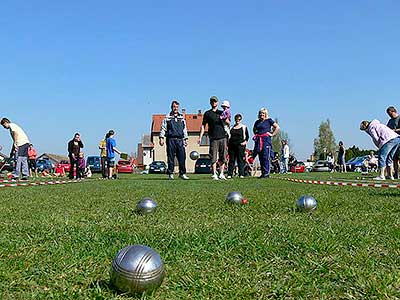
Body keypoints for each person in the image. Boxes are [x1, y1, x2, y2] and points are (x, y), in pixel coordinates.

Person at [198, 96, 229, 180]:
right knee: (213, 156)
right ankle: (214, 174)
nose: (213, 103)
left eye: (215, 101)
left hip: (223, 136)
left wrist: (226, 120)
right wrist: (200, 137)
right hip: (213, 137)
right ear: (210, 103)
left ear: (217, 103)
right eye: (212, 101)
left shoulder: (222, 112)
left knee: (223, 156)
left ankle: (221, 173)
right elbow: (203, 126)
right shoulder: (207, 113)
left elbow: (228, 123)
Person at [159, 100, 189, 180]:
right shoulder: (167, 117)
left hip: (180, 140)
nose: (175, 108)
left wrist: (186, 139)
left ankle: (182, 173)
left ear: (178, 107)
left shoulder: (181, 117)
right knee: (170, 157)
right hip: (170, 139)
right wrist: (161, 138)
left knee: (182, 157)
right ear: (171, 107)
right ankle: (171, 173)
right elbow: (163, 128)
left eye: (176, 107)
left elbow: (184, 129)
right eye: (174, 107)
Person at [252, 108, 280, 178]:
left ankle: (266, 173)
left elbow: (277, 127)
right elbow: (254, 129)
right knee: (260, 156)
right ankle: (263, 172)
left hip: (266, 140)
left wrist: (272, 134)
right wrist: (256, 134)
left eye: (263, 113)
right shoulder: (257, 122)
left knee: (266, 156)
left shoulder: (269, 121)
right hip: (259, 140)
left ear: (265, 114)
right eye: (261, 113)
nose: (262, 114)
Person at [227, 114, 249, 178]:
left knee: (240, 160)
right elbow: (228, 136)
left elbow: (247, 136)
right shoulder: (231, 127)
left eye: (239, 119)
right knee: (231, 160)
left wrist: (245, 142)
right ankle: (230, 174)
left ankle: (241, 174)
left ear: (240, 120)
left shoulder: (244, 127)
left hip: (240, 146)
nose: (237, 121)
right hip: (232, 146)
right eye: (236, 119)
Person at [386, 106, 400, 178]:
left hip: (399, 140)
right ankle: (396, 174)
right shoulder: (390, 121)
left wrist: (395, 130)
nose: (389, 115)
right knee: (394, 159)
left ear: (393, 111)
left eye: (390, 114)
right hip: (392, 142)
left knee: (398, 159)